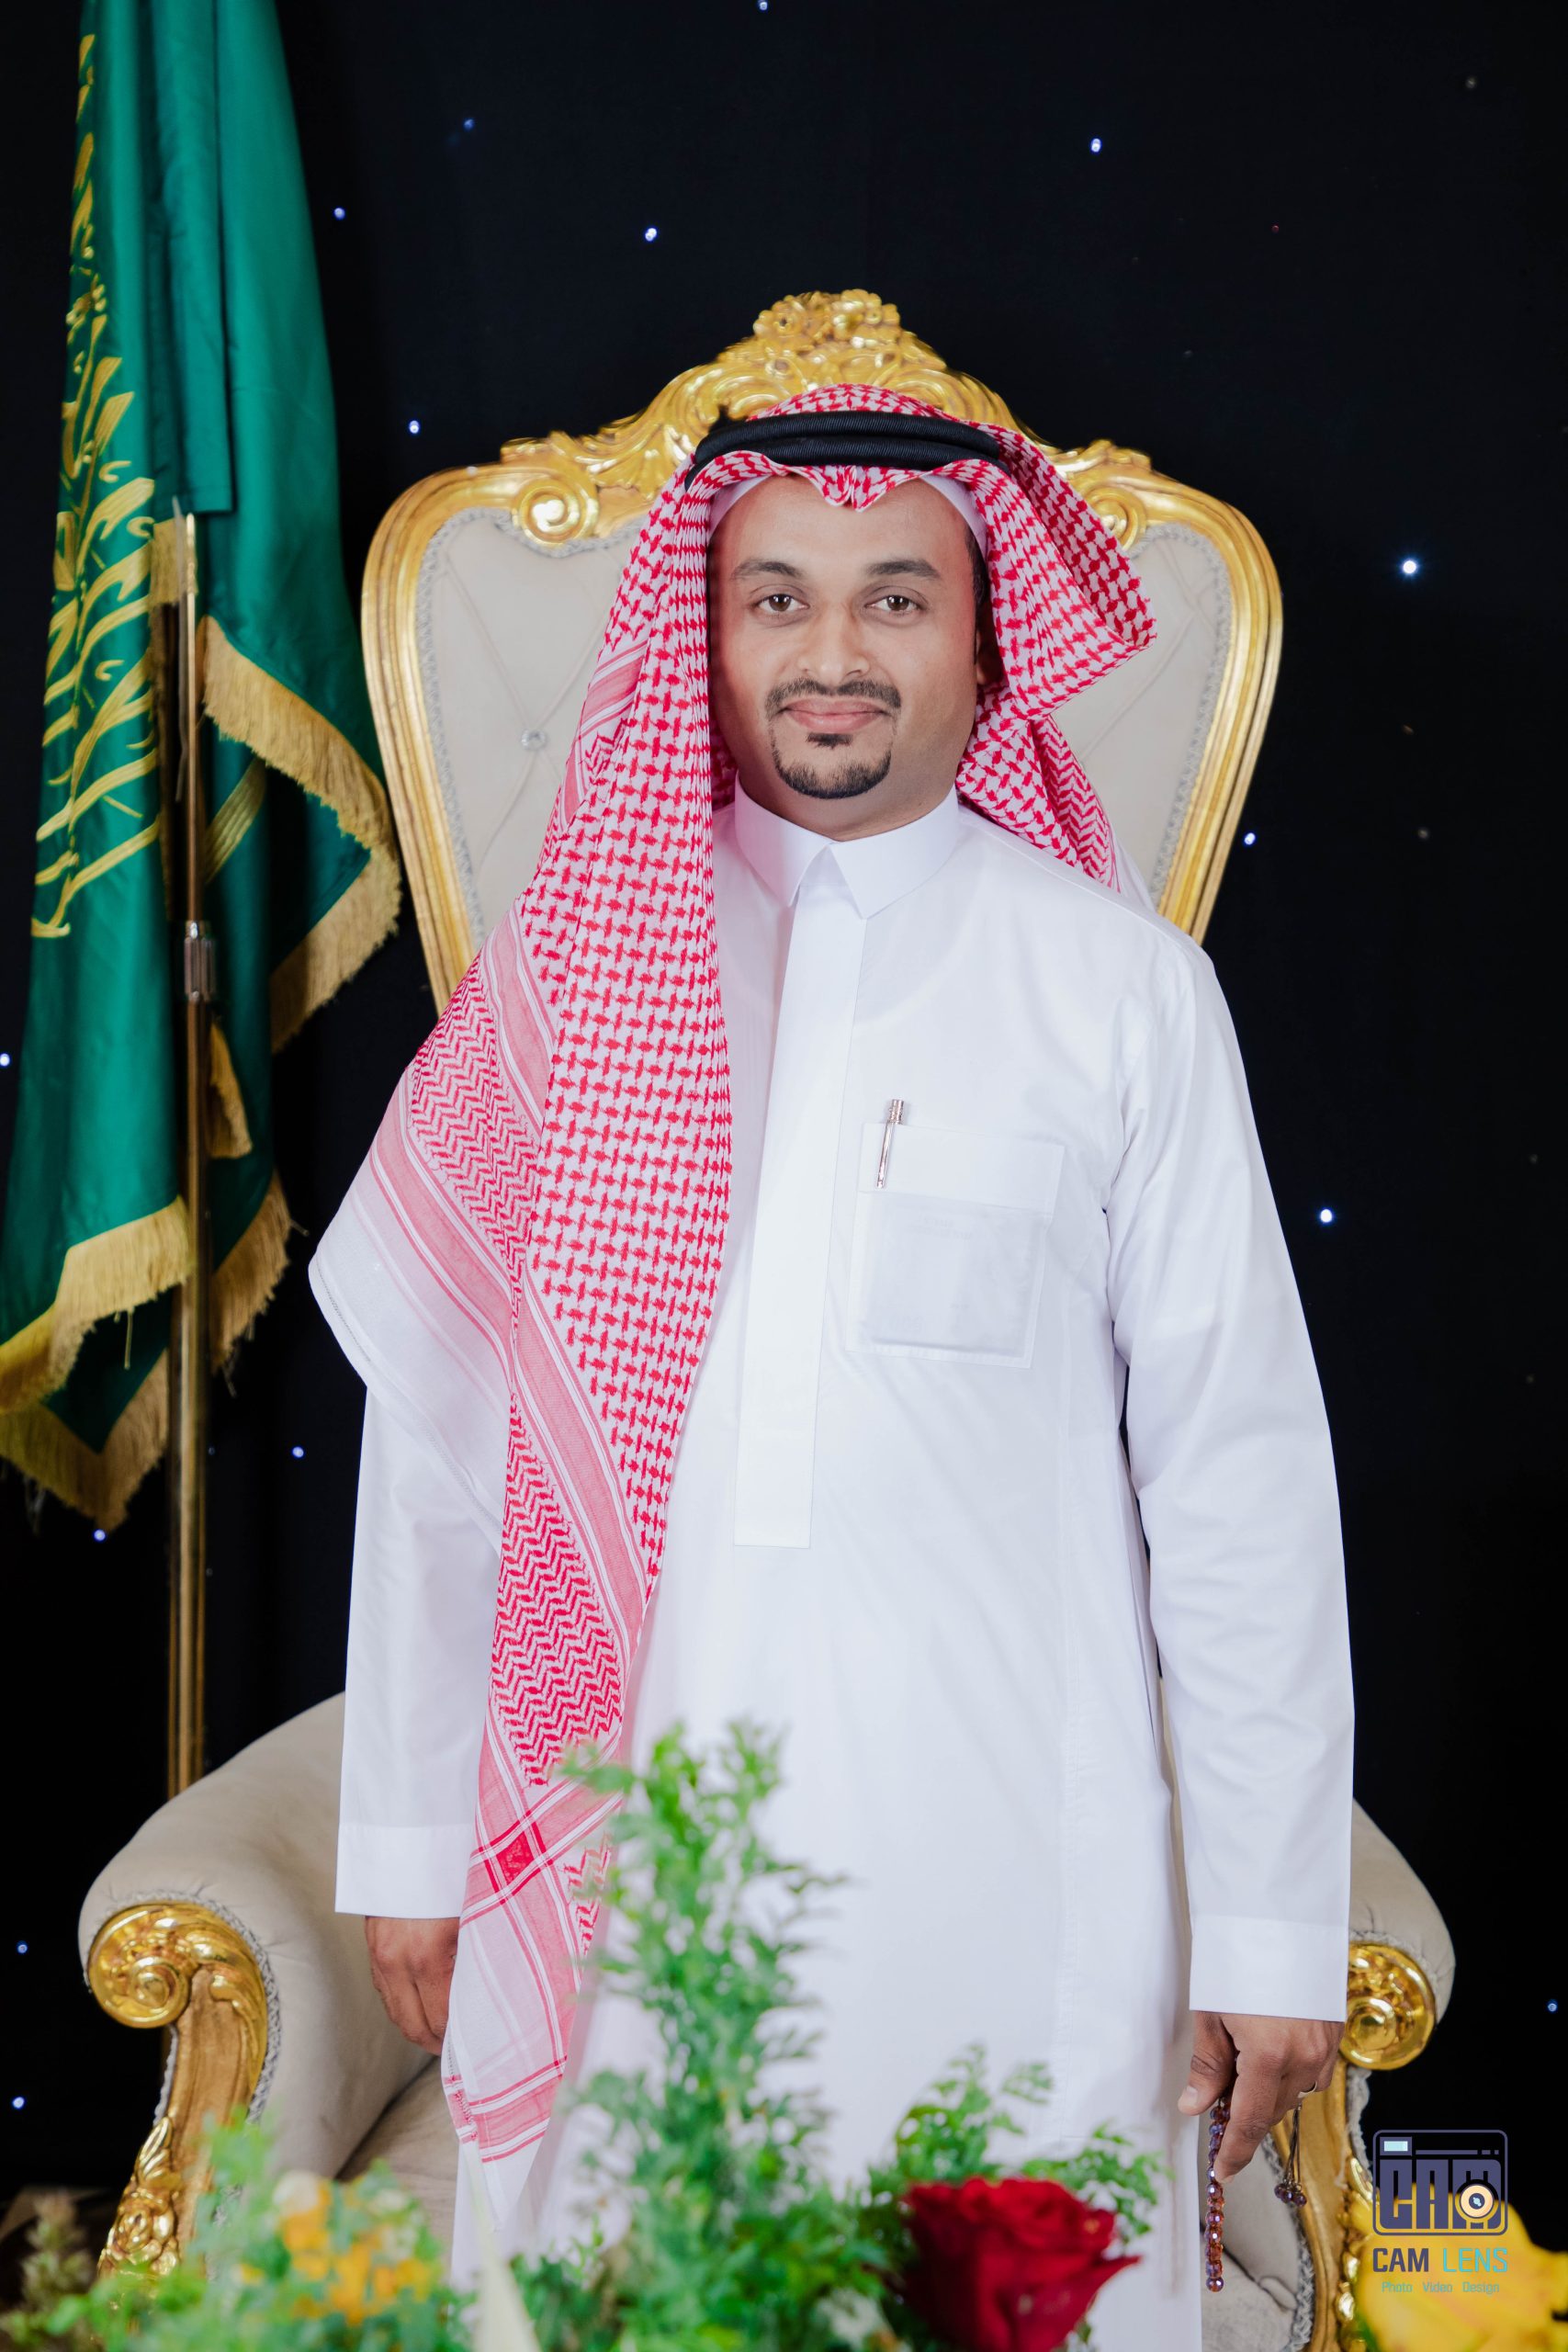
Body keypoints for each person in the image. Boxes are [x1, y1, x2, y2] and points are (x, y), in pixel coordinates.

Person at [310, 386, 1355, 2342]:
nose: (831, 652)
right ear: (703, 637)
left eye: (895, 598)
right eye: (775, 598)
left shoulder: (1121, 990)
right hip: (641, 1874)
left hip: (1019, 1872)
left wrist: (1274, 1921)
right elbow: (447, 1448)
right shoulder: (578, 975)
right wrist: (408, 1841)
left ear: (986, 642)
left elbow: (1238, 1482)